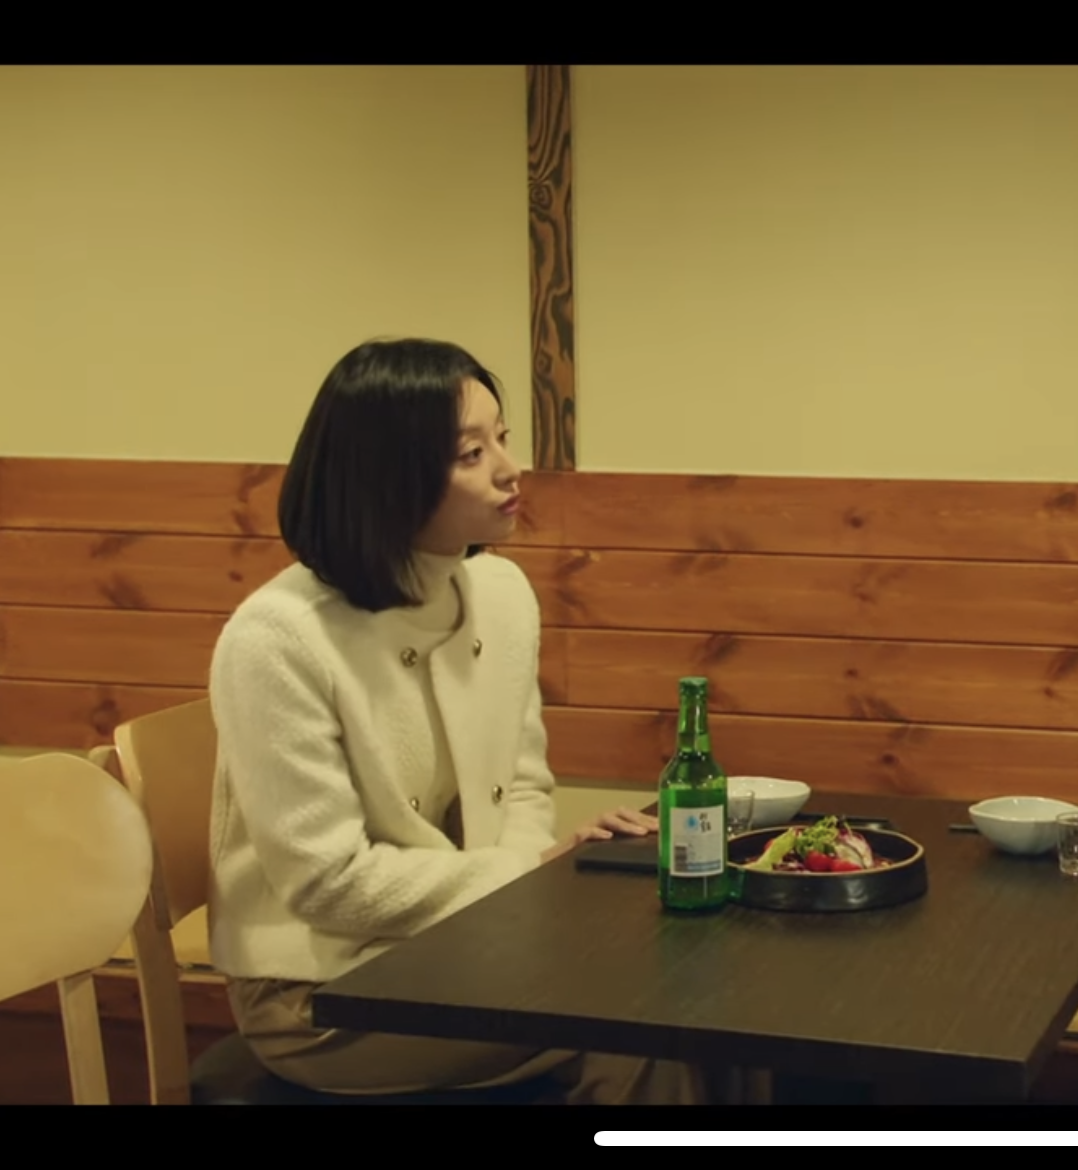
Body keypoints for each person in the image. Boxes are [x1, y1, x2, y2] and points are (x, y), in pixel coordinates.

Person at [205, 337, 714, 1103]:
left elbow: (523, 786)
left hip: (469, 947)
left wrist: (541, 877)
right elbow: (328, 883)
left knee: (696, 993)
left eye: (502, 438)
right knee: (644, 1028)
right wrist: (528, 879)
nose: (510, 470)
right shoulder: (276, 638)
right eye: (471, 454)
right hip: (320, 993)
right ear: (387, 478)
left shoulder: (502, 595)